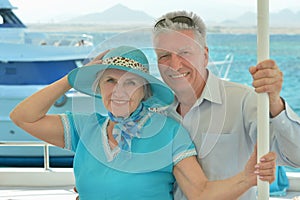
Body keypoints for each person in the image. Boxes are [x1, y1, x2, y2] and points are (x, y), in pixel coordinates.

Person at [10, 46, 276, 200]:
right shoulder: (85, 127)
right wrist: (70, 78)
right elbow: (22, 116)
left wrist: (247, 178)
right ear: (99, 87)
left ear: (145, 91)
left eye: (131, 82)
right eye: (110, 81)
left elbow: (201, 192)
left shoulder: (169, 132)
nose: (119, 91)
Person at [152, 10, 300, 199]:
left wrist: (275, 103)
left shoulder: (243, 101)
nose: (174, 64)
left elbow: (296, 157)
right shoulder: (157, 112)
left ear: (205, 55)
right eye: (164, 56)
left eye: (184, 52)